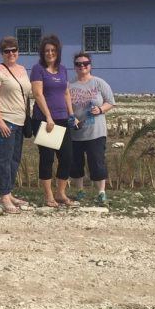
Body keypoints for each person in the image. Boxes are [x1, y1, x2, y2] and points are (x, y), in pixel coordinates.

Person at [0, 36, 32, 214]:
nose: (11, 54)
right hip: (4, 119)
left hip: (19, 120)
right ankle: (4, 196)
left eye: (14, 50)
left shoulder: (22, 69)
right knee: (3, 159)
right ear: (2, 53)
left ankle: (9, 191)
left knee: (15, 158)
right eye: (7, 51)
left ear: (18, 52)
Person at [30, 34, 74, 208]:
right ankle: (48, 196)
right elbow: (38, 94)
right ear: (42, 52)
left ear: (58, 52)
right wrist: (48, 116)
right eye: (47, 50)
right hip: (44, 120)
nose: (50, 53)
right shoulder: (37, 69)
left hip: (63, 118)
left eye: (53, 50)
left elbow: (66, 93)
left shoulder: (63, 69)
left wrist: (71, 114)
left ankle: (60, 192)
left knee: (67, 156)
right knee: (47, 157)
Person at [69, 52, 116, 205]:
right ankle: (80, 190)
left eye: (85, 63)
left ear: (90, 65)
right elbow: (66, 105)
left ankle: (101, 192)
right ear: (75, 66)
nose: (82, 66)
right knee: (76, 163)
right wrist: (71, 116)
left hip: (96, 132)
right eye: (78, 64)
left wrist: (101, 109)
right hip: (76, 132)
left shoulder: (99, 83)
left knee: (97, 162)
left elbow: (110, 102)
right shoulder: (70, 85)